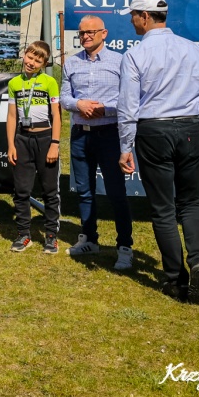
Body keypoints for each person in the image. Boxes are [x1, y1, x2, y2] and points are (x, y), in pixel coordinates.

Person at [117, 0, 199, 304]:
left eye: (133, 15)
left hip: (153, 129)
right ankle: (198, 261)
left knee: (163, 209)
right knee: (192, 202)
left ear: (145, 17)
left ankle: (176, 279)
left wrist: (125, 146)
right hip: (189, 127)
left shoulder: (135, 55)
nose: (132, 20)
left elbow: (128, 106)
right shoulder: (195, 50)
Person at [60, 15, 134, 270]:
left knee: (116, 192)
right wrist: (78, 104)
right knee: (84, 191)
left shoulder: (120, 61)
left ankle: (124, 247)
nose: (86, 36)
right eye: (82, 33)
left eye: (91, 32)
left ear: (104, 33)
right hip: (80, 135)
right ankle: (89, 239)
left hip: (109, 134)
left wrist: (106, 109)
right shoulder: (71, 63)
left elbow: (128, 98)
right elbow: (64, 97)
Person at [6, 40, 62, 253]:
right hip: (22, 139)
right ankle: (23, 234)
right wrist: (11, 145)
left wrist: (55, 144)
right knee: (21, 190)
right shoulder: (14, 83)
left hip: (45, 139)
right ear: (24, 55)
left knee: (50, 191)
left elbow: (57, 115)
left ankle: (51, 236)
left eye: (37, 61)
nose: (31, 63)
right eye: (29, 57)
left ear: (44, 64)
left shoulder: (50, 82)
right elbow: (12, 117)